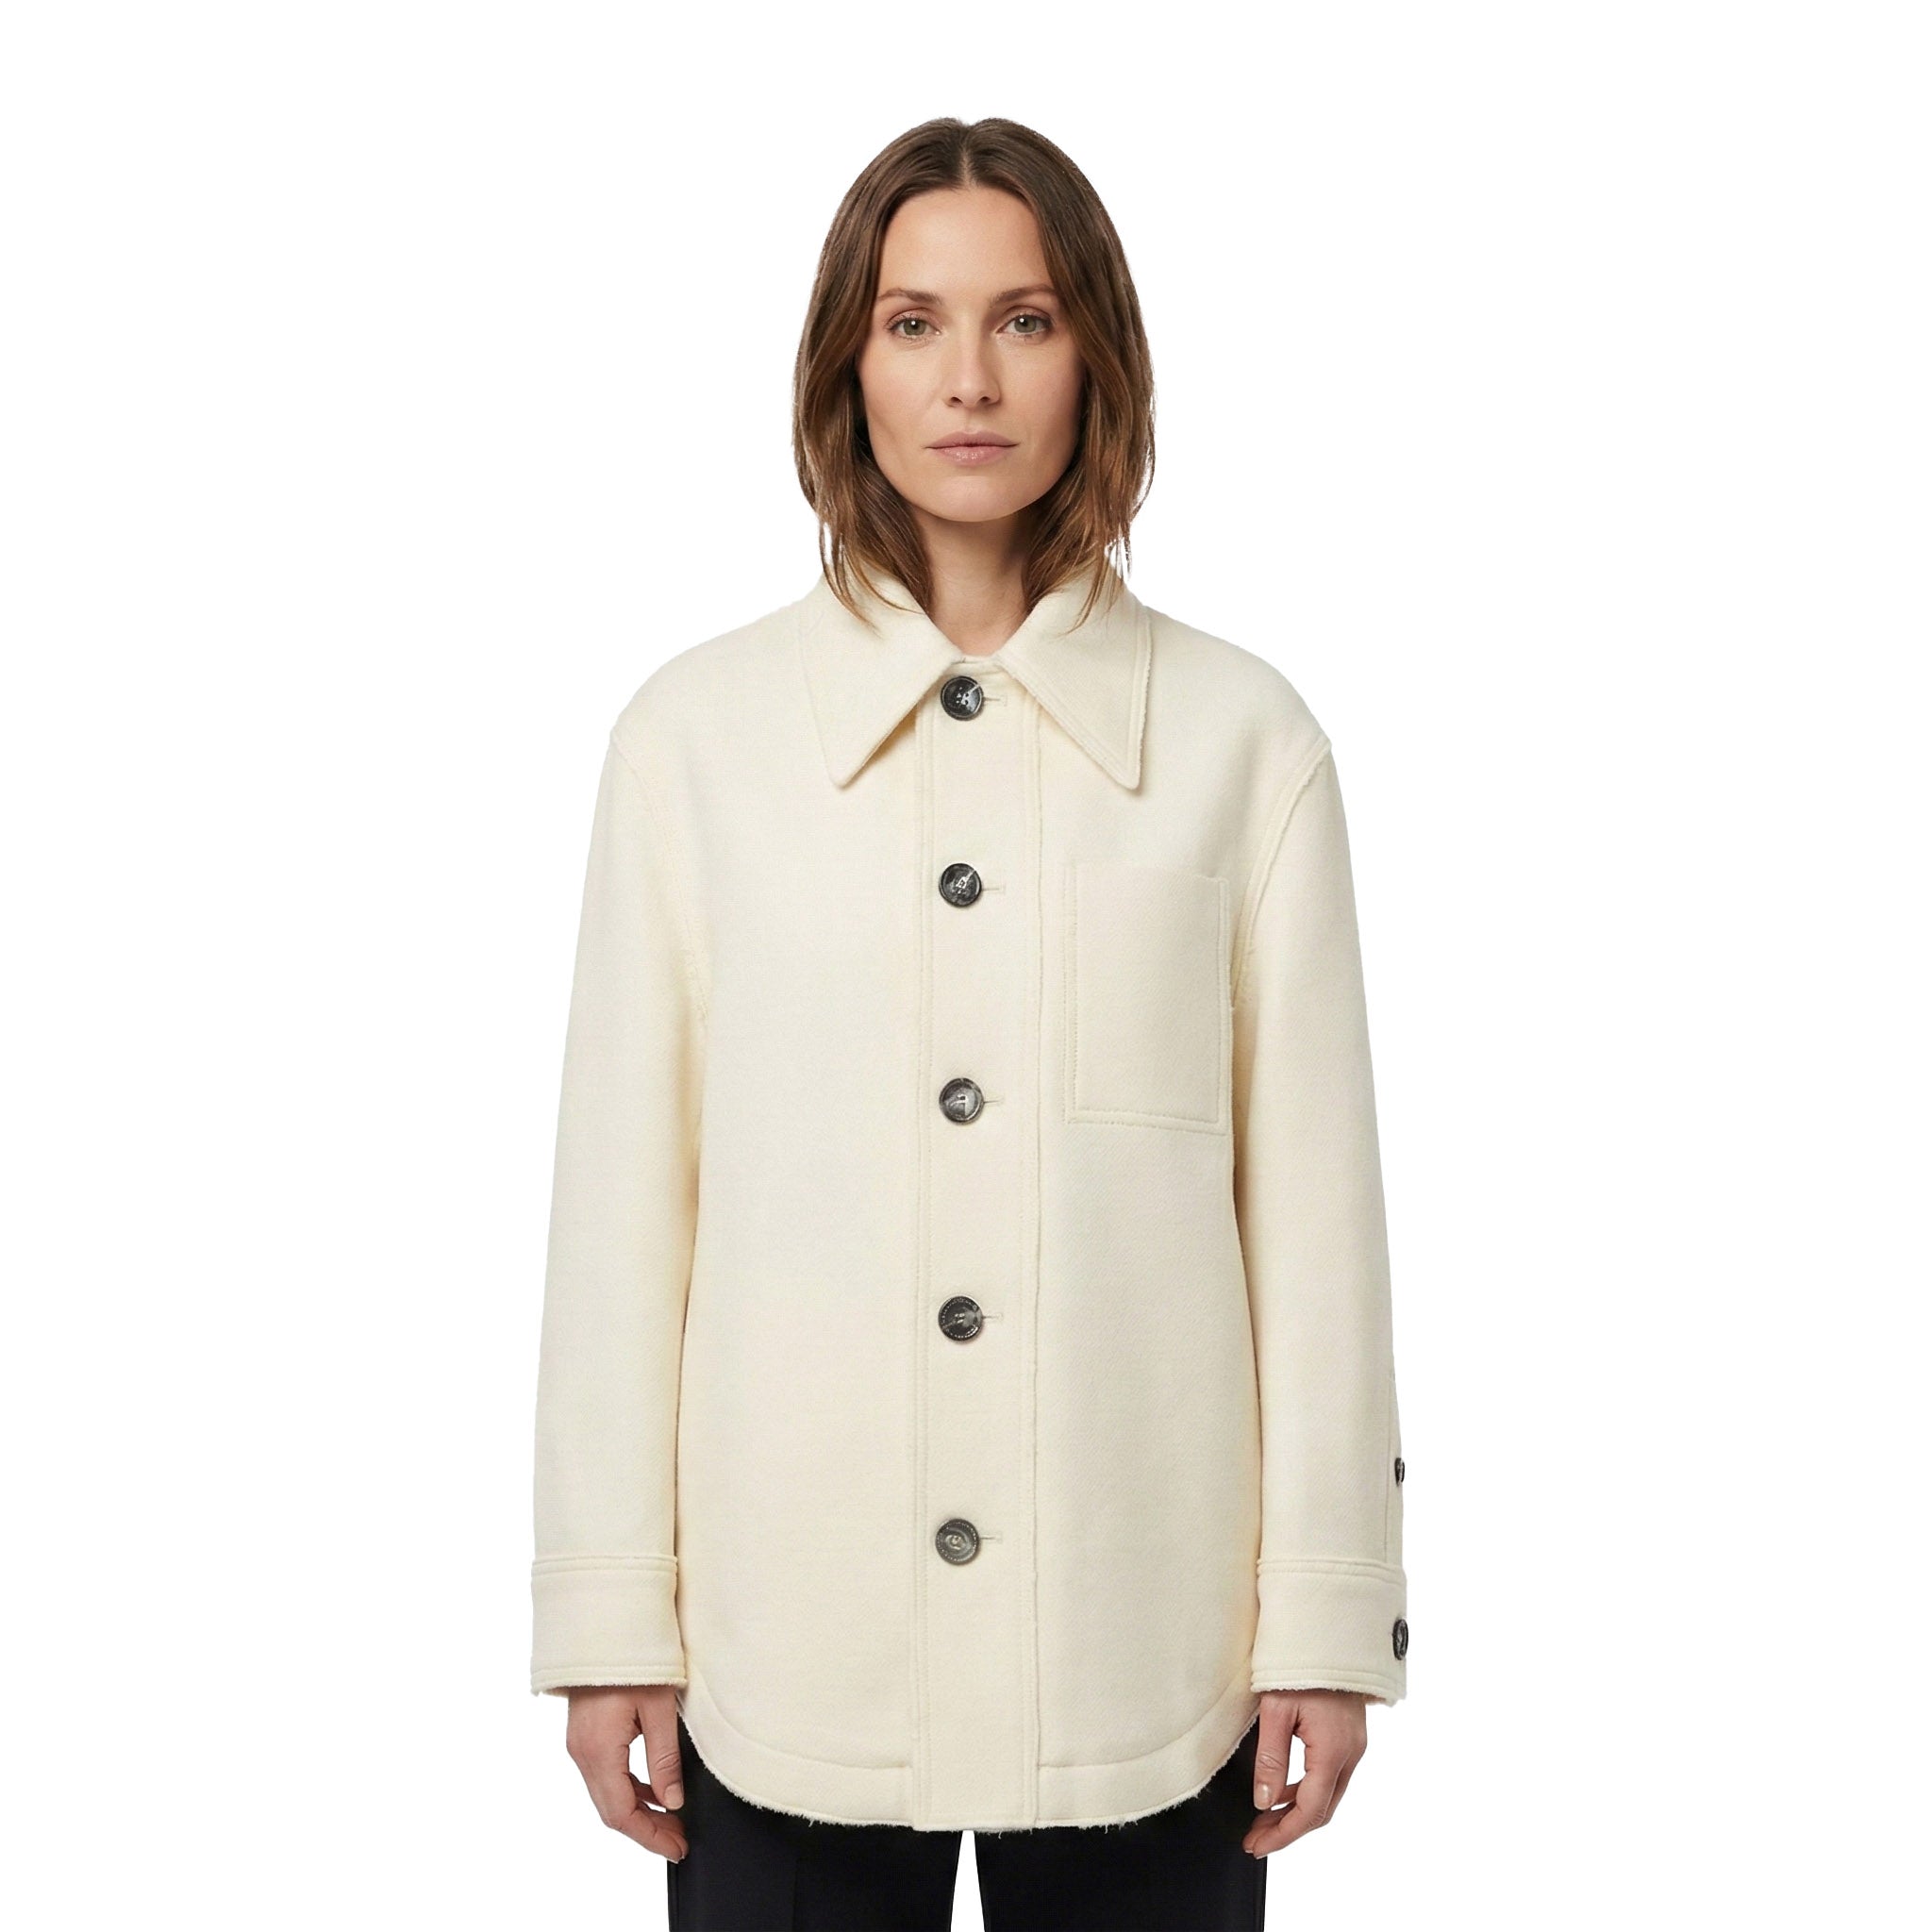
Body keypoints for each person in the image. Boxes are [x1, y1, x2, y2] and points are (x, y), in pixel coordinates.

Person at [529, 115, 1409, 1931]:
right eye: (912, 323)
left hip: (1148, 1651)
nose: (970, 381)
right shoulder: (695, 744)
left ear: (1098, 354)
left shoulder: (1245, 745)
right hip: (788, 1649)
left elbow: (1314, 1220)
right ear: (845, 365)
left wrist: (1330, 1615)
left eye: (1025, 319)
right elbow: (623, 1214)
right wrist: (610, 1611)